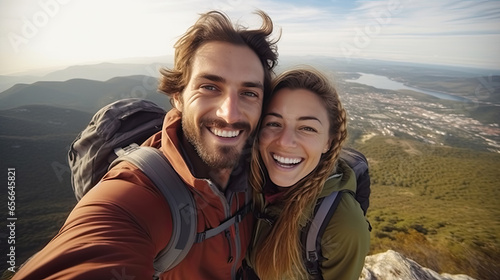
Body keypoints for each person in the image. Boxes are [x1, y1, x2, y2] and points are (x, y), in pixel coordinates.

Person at [12, 10, 279, 280]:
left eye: (248, 93)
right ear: (178, 97)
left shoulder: (260, 168)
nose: (230, 114)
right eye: (209, 87)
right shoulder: (133, 198)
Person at [245, 68, 370, 280]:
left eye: (307, 128)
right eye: (274, 123)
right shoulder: (245, 182)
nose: (285, 142)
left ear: (328, 142)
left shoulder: (343, 225)